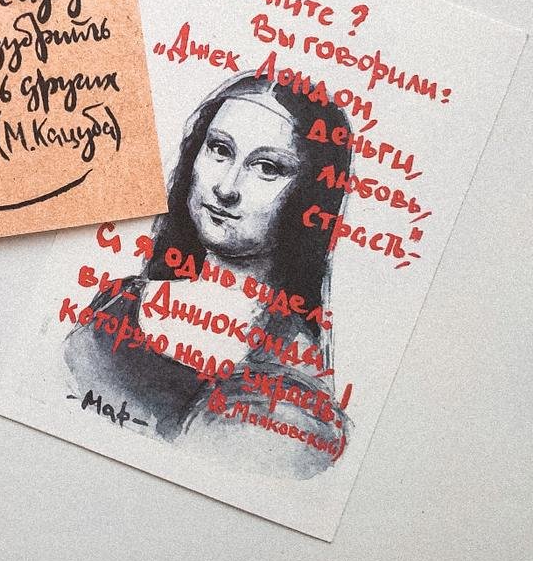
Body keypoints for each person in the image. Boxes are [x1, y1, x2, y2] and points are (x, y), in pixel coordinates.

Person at [64, 73, 353, 477]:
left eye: (267, 167)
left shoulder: (290, 391)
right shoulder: (119, 298)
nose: (226, 187)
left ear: (309, 195)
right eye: (219, 149)